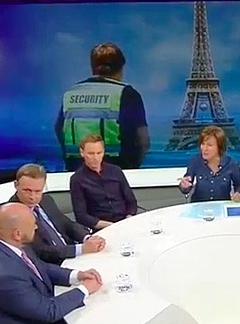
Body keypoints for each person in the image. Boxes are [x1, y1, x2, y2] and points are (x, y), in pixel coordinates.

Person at [56, 42, 149, 170]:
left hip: (76, 171)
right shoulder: (127, 94)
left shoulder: (70, 94)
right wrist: (134, 166)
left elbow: (59, 131)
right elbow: (143, 140)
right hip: (117, 171)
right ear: (121, 68)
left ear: (93, 67)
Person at [11, 163, 104, 265]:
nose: (32, 197)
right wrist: (81, 248)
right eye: (27, 190)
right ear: (16, 185)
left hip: (74, 253)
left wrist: (87, 238)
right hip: (54, 265)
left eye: (38, 191)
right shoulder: (12, 215)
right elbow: (41, 252)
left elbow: (67, 224)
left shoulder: (46, 200)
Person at [69, 134, 138, 230]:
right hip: (101, 228)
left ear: (103, 152)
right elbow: (81, 216)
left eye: (99, 153)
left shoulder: (116, 171)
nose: (96, 157)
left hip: (125, 222)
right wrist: (110, 226)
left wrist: (128, 218)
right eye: (91, 153)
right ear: (82, 153)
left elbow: (131, 201)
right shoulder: (77, 179)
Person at [178, 126, 240, 203]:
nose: (204, 148)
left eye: (209, 145)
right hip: (199, 206)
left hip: (222, 206)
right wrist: (184, 186)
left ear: (219, 147)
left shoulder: (232, 164)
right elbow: (187, 185)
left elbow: (239, 186)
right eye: (203, 144)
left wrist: (238, 194)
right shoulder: (195, 161)